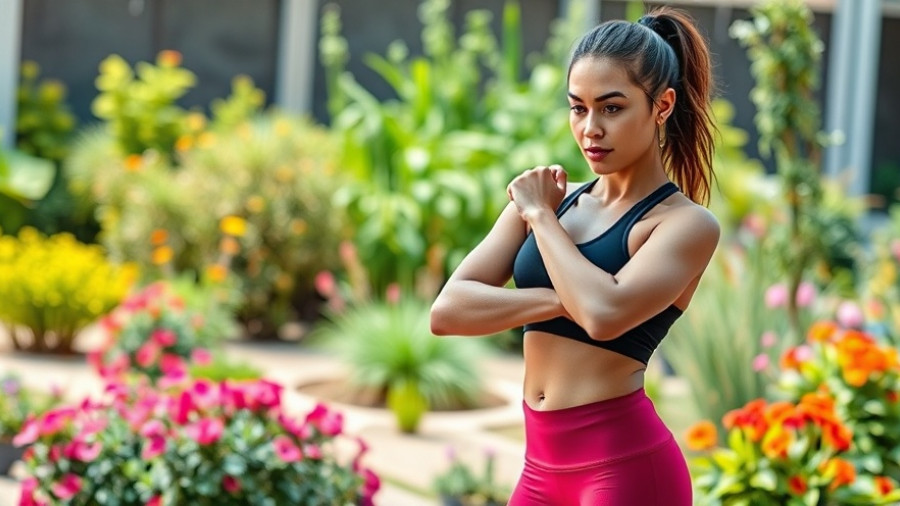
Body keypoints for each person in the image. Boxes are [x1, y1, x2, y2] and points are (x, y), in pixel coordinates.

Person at [430, 7, 720, 506]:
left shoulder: (683, 224)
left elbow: (604, 316)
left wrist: (540, 217)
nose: (590, 129)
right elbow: (448, 312)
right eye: (578, 108)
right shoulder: (554, 200)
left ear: (662, 106)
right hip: (538, 470)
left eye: (611, 108)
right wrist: (558, 301)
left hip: (625, 469)